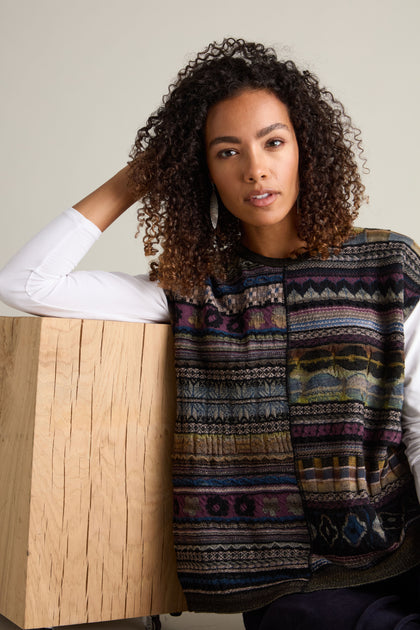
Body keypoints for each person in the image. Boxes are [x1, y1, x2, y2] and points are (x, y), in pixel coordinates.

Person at [1, 38, 420, 630]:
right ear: (202, 169)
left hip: (402, 552)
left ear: (307, 148)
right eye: (226, 152)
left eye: (273, 142)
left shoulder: (387, 265)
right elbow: (25, 283)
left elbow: (419, 425)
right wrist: (144, 172)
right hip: (294, 594)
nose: (255, 168)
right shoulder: (191, 289)